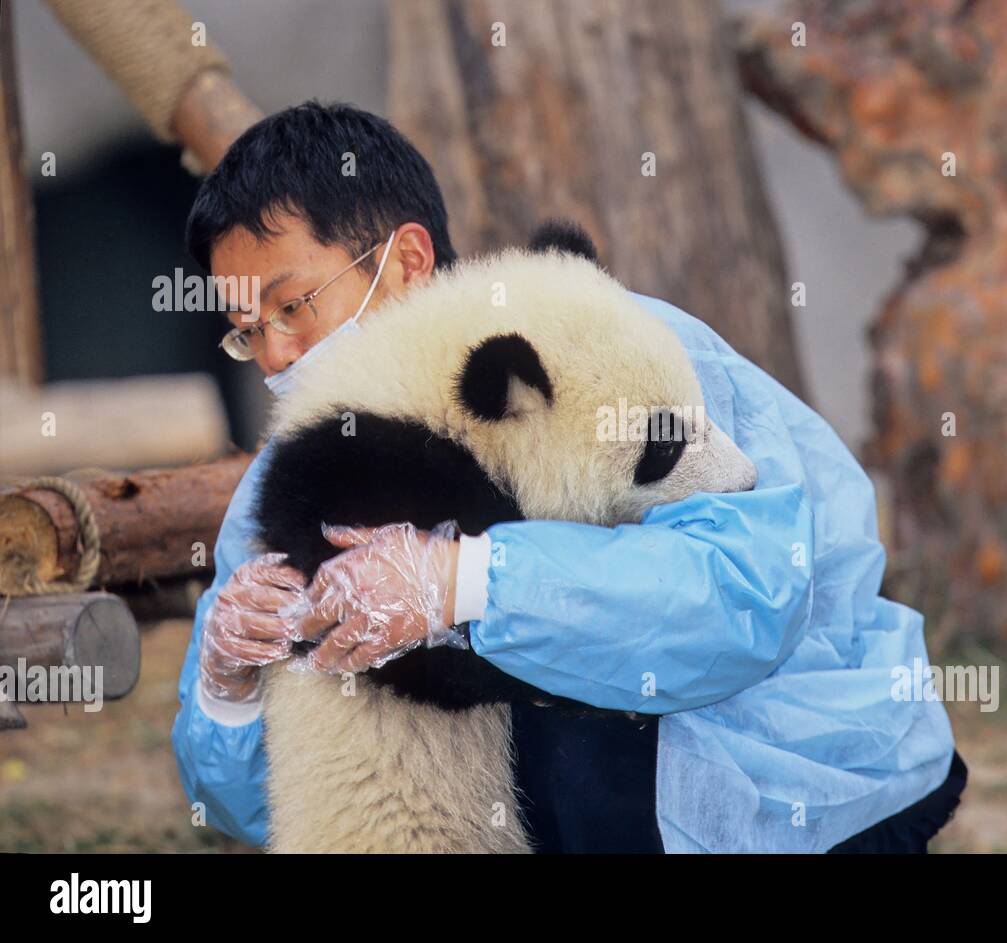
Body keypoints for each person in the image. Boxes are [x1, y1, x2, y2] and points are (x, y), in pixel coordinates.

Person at [172, 101, 964, 853]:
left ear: (406, 260)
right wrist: (230, 686)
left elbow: (749, 597)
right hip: (550, 813)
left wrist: (472, 581)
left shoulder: (606, 347)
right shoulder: (297, 465)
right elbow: (282, 800)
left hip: (787, 791)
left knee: (566, 701)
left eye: (291, 306)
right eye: (246, 333)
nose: (274, 354)